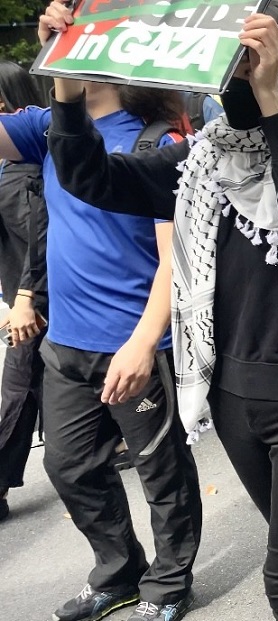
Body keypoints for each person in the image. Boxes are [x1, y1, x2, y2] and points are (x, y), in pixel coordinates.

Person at [41, 3, 278, 620]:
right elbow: (86, 176)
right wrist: (68, 78)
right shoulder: (197, 165)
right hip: (228, 394)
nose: (234, 77)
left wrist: (272, 96)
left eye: (250, 62)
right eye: (229, 61)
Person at [2, 15, 202, 619]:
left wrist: (144, 343)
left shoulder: (160, 142)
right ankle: (118, 571)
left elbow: (177, 259)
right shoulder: (48, 127)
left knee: (161, 472)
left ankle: (171, 582)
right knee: (68, 465)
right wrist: (54, 58)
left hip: (140, 344)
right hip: (65, 344)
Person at [0, 61, 47, 524]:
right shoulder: (10, 164)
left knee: (18, 386)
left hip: (41, 297)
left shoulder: (27, 168)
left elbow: (39, 236)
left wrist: (25, 296)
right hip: (24, 297)